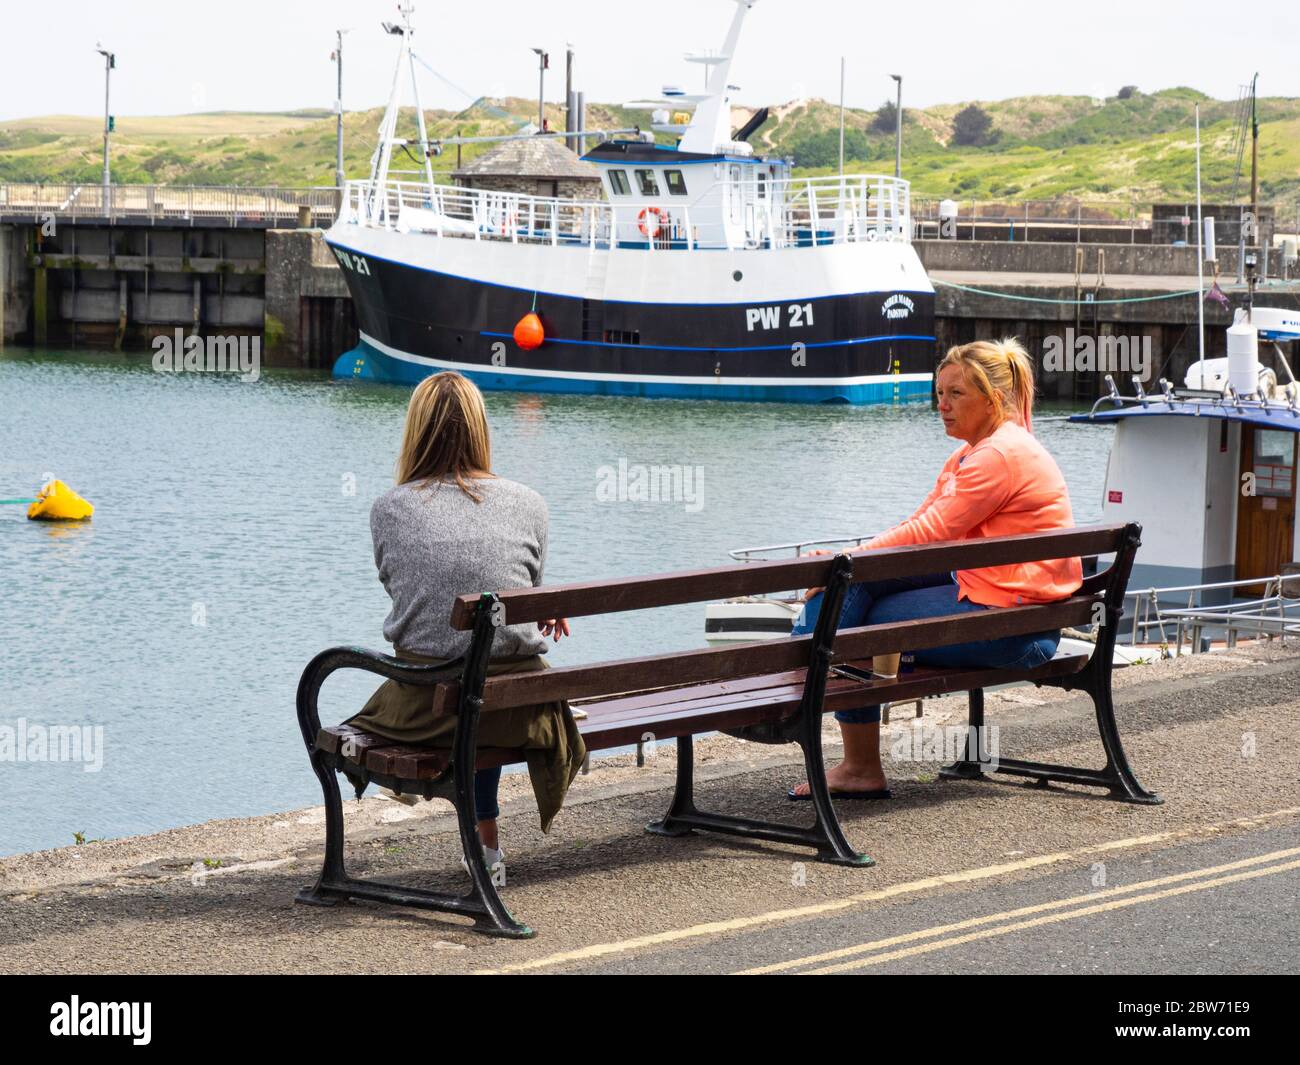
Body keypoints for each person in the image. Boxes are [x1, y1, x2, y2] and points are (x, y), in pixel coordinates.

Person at [788, 339, 1082, 801]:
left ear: (992, 398)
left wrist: (839, 565)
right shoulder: (977, 452)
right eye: (938, 393)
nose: (941, 405)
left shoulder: (996, 456)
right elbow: (919, 525)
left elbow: (931, 532)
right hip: (1013, 611)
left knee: (847, 621)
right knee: (844, 595)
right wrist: (846, 565)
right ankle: (826, 711)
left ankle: (808, 701)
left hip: (1014, 631)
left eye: (956, 395)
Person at [345, 371, 586, 879]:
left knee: (439, 685)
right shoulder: (529, 501)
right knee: (485, 675)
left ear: (416, 430)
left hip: (434, 706)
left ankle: (464, 837)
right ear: (481, 429)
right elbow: (518, 587)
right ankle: (488, 849)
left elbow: (406, 595)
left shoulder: (389, 508)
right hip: (522, 708)